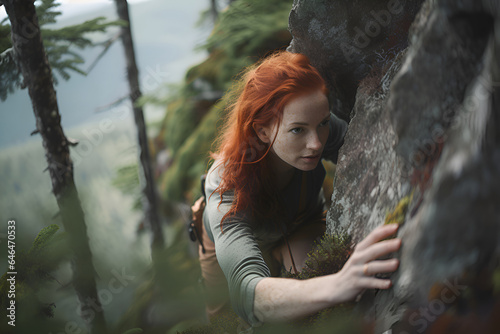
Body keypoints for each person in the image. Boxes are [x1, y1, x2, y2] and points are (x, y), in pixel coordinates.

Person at [198, 51, 401, 326]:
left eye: (323, 124)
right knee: (229, 322)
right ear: (262, 131)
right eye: (298, 130)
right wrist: (338, 284)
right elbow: (247, 294)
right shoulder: (226, 188)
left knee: (312, 294)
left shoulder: (313, 127)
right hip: (224, 244)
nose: (317, 143)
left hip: (299, 224)